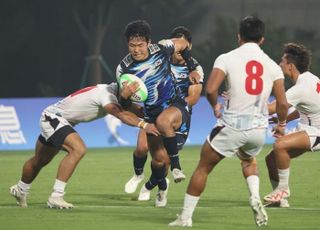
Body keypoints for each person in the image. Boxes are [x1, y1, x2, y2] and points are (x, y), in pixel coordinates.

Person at [169, 16, 288, 227]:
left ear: (239, 36)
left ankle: (185, 218)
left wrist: (215, 105)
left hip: (232, 125)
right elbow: (282, 102)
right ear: (262, 39)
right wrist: (281, 125)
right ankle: (254, 196)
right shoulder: (272, 65)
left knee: (203, 167)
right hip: (258, 130)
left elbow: (211, 89)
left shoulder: (227, 58)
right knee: (249, 160)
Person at [9, 82, 160, 209]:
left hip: (59, 119)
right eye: (129, 95)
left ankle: (20, 189)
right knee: (78, 149)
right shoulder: (105, 95)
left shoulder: (118, 93)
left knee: (40, 160)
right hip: (54, 118)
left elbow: (138, 110)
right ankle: (56, 196)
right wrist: (144, 125)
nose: (130, 100)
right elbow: (122, 114)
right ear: (123, 87)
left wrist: (162, 116)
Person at [117, 20, 200, 207]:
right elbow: (123, 104)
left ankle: (177, 168)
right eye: (132, 45)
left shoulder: (162, 48)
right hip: (151, 114)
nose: (136, 50)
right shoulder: (124, 69)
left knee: (164, 121)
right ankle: (161, 187)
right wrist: (124, 96)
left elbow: (183, 44)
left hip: (175, 105)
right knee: (158, 161)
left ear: (148, 42)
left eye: (140, 45)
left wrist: (192, 66)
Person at [264, 43, 320, 207]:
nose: (280, 63)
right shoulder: (311, 78)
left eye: (283, 60)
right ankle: (280, 200)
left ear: (290, 65)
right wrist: (285, 120)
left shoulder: (301, 87)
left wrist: (245, 101)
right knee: (271, 159)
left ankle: (283, 189)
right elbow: (307, 108)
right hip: (309, 129)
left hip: (317, 132)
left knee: (280, 145)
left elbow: (273, 108)